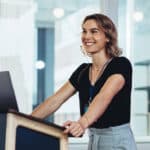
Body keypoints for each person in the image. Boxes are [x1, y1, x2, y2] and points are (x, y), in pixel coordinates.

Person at [31, 13, 137, 150]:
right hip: (93, 138)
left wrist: (82, 123)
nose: (87, 36)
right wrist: (22, 122)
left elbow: (104, 97)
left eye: (94, 31)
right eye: (84, 31)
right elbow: (55, 100)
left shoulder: (121, 64)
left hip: (117, 140)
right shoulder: (82, 71)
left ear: (107, 37)